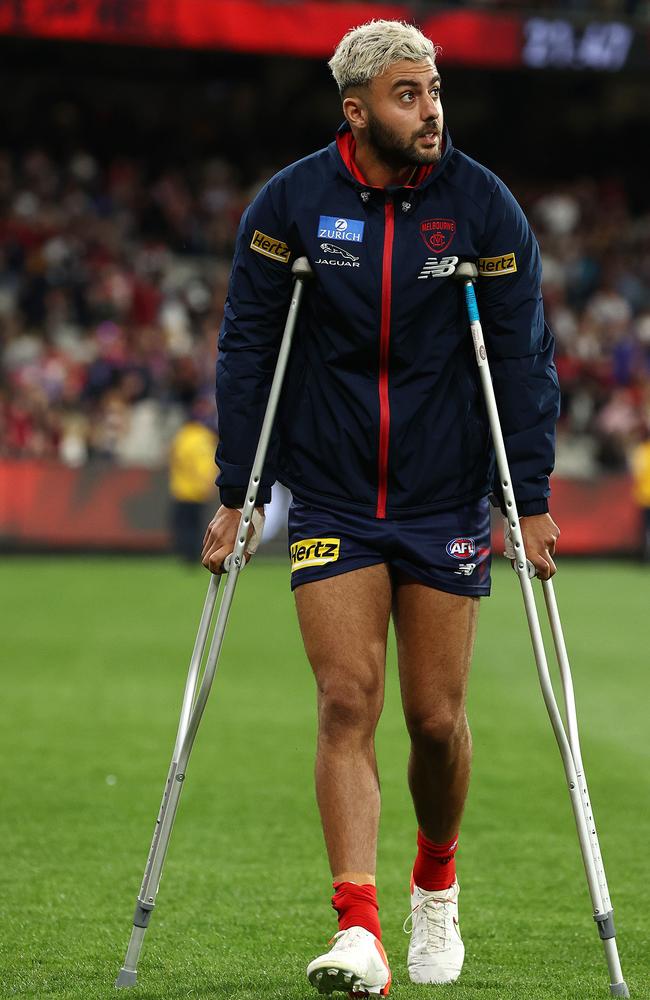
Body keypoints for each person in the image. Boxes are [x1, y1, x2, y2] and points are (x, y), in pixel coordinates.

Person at [202, 19, 560, 996]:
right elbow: (248, 349)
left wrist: (523, 496)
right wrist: (238, 491)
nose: (431, 108)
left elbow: (522, 361)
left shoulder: (481, 208)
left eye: (434, 88)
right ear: (355, 111)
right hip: (331, 485)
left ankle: (433, 881)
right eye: (408, 94)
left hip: (442, 490)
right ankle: (357, 928)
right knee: (344, 700)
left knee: (435, 719)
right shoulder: (292, 205)